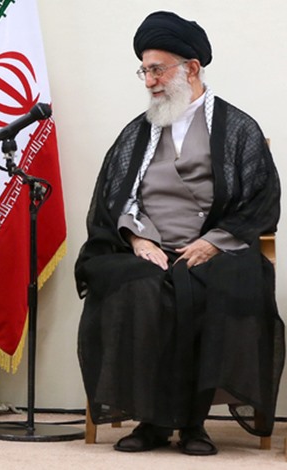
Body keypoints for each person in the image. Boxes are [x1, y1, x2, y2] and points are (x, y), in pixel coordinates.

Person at [75, 11, 282, 456]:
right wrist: (138, 240)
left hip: (214, 248)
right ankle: (150, 421)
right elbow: (113, 198)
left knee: (223, 284)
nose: (149, 81)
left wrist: (213, 242)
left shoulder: (238, 128)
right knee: (136, 287)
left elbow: (262, 199)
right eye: (144, 71)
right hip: (147, 248)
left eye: (157, 70)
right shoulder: (136, 133)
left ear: (191, 68)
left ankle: (193, 424)